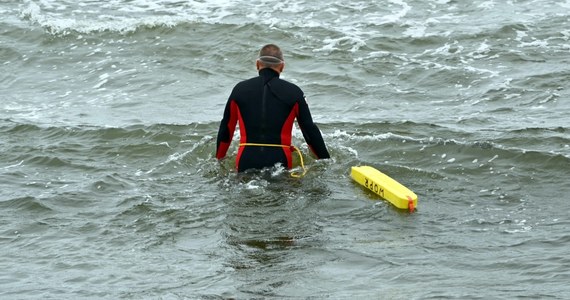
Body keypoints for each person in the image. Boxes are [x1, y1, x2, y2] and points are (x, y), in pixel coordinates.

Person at [216, 44, 330, 172]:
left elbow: (226, 129)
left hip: (246, 160)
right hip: (280, 160)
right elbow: (309, 130)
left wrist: (219, 160)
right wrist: (325, 161)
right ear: (282, 67)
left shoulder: (239, 90)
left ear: (258, 64)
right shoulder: (294, 92)